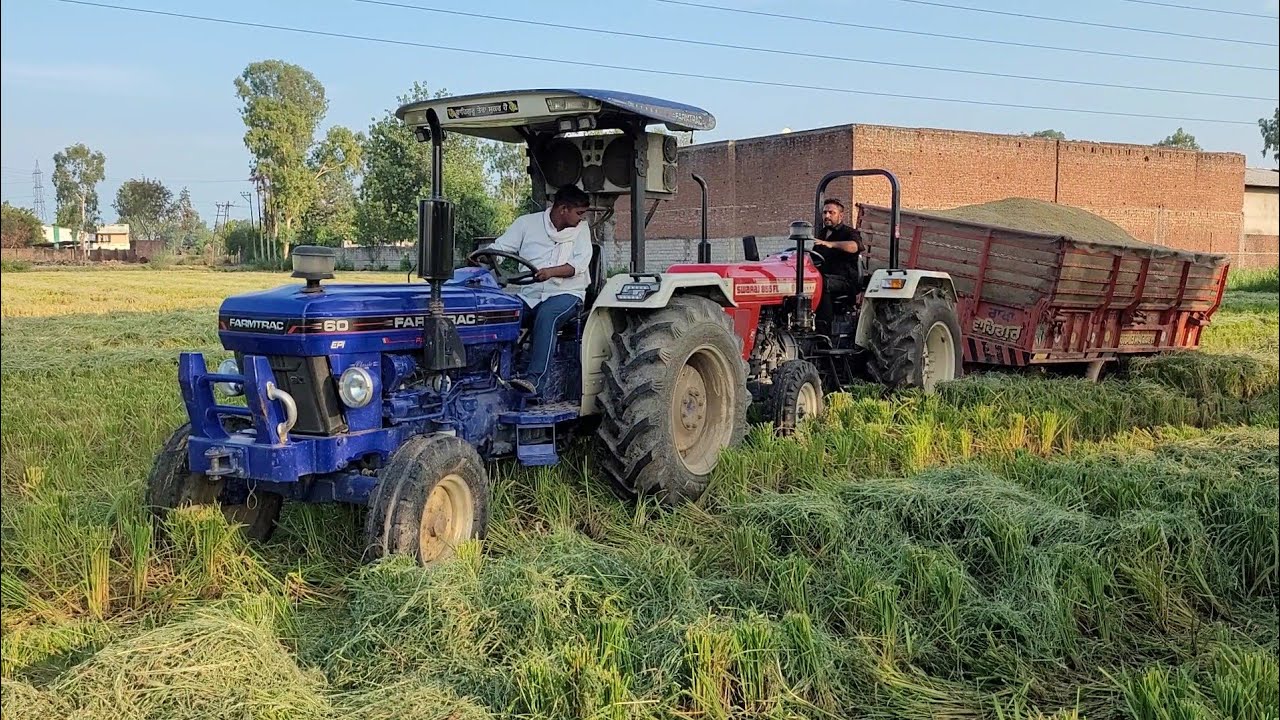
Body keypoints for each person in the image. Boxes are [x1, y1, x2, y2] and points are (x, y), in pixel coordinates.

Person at [481, 185, 593, 396]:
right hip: (529, 294)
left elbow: (578, 265)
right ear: (562, 209)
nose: (581, 218)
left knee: (547, 316)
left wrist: (550, 272)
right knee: (499, 313)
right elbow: (501, 248)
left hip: (567, 293)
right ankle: (493, 373)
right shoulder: (526, 223)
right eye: (578, 213)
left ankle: (535, 382)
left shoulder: (581, 230)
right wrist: (484, 257)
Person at [811, 197, 863, 333]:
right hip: (824, 276)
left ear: (841, 215)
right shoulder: (821, 234)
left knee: (821, 283)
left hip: (845, 280)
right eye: (824, 212)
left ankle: (823, 331)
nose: (827, 216)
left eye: (831, 212)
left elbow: (854, 246)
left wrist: (831, 244)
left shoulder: (849, 232)